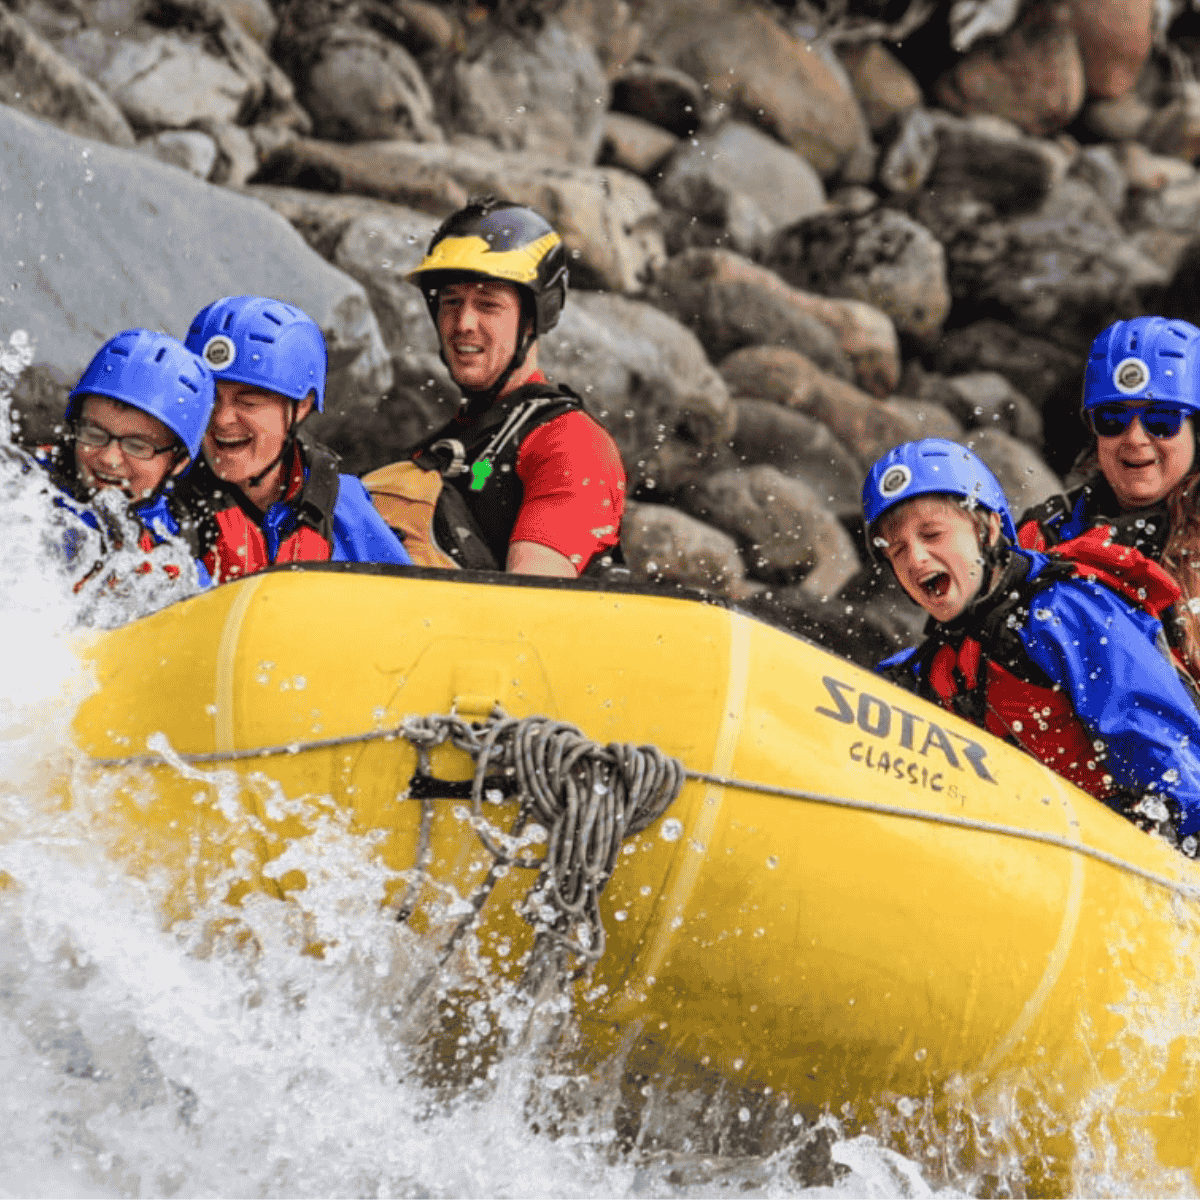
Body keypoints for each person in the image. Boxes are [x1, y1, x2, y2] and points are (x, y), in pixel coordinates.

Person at [864, 437, 1200, 852]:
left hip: (1136, 850)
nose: (916, 558)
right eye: (897, 550)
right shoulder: (932, 667)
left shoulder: (1062, 612)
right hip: (1040, 858)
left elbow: (1157, 737)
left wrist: (1166, 824)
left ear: (987, 530)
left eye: (932, 534)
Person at [363, 199, 625, 577]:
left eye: (488, 305)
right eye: (451, 302)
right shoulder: (440, 447)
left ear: (533, 320)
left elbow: (531, 604)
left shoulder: (572, 444)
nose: (463, 322)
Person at [176, 295, 411, 583]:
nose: (221, 419)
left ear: (301, 406)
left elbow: (411, 612)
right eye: (210, 397)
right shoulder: (161, 501)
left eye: (248, 402)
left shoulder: (342, 505)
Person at [1018, 315, 1200, 680]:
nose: (1134, 439)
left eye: (1162, 420)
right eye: (1112, 419)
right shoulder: (1045, 533)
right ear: (1092, 430)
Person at [34, 329, 216, 589]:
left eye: (137, 446)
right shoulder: (22, 485)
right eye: (94, 433)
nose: (109, 459)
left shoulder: (176, 563)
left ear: (179, 463)